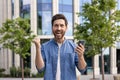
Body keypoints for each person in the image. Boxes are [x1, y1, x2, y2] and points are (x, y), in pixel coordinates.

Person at [33, 14, 87, 80]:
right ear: (52, 27)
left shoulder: (74, 47)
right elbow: (40, 69)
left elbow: (82, 69)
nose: (58, 28)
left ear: (66, 28)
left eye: (61, 25)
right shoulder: (45, 47)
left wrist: (81, 56)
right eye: (56, 25)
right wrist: (38, 47)